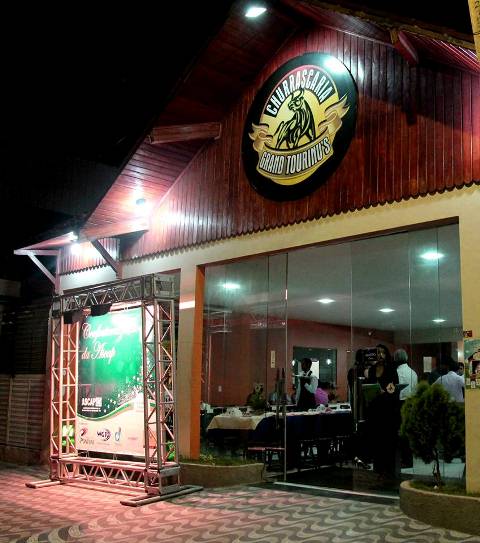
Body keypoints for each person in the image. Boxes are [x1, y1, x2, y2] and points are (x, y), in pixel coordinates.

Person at [394, 348, 417, 468]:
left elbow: (395, 390)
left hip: (400, 403)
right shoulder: (413, 372)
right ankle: (409, 459)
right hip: (411, 403)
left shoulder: (397, 372)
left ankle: (403, 459)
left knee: (400, 433)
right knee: (408, 432)